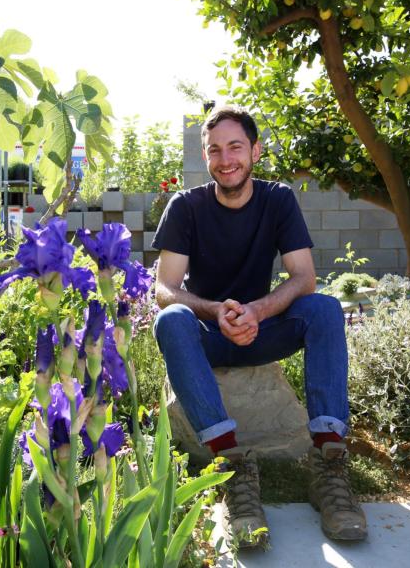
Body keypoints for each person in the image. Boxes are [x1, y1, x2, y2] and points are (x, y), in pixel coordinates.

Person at [151, 105, 367, 547]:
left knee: (324, 309)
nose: (225, 158)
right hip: (208, 335)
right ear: (206, 157)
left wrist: (258, 312)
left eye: (235, 147)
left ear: (255, 150)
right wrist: (217, 312)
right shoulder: (185, 207)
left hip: (264, 332)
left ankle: (328, 465)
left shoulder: (278, 199)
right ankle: (232, 466)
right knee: (171, 318)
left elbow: (304, 277)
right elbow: (164, 288)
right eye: (215, 150)